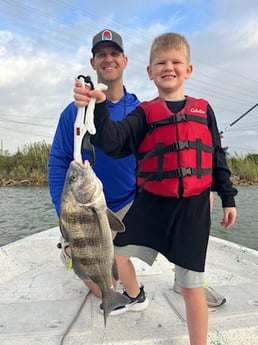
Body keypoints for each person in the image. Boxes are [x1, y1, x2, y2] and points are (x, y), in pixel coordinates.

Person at [73, 32, 237, 345]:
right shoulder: (144, 113)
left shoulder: (205, 110)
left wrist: (227, 198)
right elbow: (113, 142)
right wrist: (100, 106)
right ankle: (133, 295)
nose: (169, 67)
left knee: (191, 286)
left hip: (192, 210)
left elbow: (217, 156)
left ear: (188, 70)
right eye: (161, 62)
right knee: (114, 247)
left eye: (176, 62)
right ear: (150, 71)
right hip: (151, 204)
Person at [48, 29, 154, 306]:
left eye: (114, 54)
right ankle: (70, 250)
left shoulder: (140, 111)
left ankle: (110, 262)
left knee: (119, 271)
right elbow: (58, 161)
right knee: (105, 287)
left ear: (125, 60)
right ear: (93, 63)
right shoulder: (73, 112)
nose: (108, 59)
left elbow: (151, 161)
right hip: (83, 207)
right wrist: (67, 215)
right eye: (101, 55)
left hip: (128, 204)